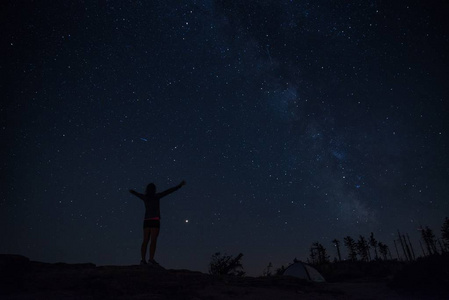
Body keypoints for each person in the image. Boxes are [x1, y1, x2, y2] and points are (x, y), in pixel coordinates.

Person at [129, 180, 186, 266]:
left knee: (145, 240)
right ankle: (151, 260)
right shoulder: (157, 196)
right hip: (155, 220)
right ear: (154, 189)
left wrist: (132, 191)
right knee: (153, 240)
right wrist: (179, 186)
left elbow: (137, 194)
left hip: (147, 220)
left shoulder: (145, 197)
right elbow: (168, 191)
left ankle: (143, 260)